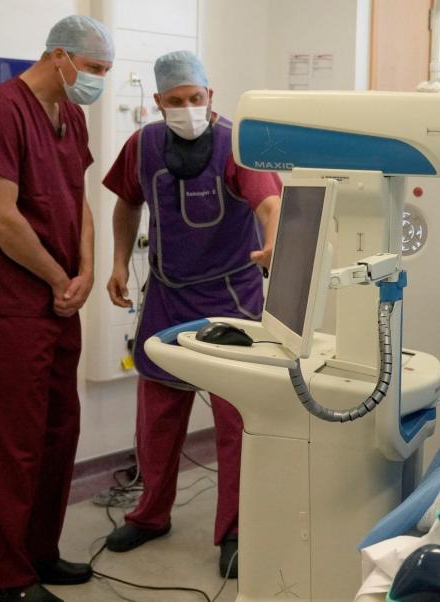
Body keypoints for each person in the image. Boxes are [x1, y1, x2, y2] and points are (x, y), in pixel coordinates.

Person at [0, 15, 113, 602]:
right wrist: (60, 276)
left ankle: (41, 552)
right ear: (59, 55)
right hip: (9, 302)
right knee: (15, 442)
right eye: (93, 69)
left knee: (60, 432)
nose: (97, 82)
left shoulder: (72, 115)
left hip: (58, 300)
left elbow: (80, 203)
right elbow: (0, 215)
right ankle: (11, 580)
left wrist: (86, 272)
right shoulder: (0, 110)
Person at [101, 50, 281, 579]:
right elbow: (126, 202)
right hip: (167, 294)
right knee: (156, 418)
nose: (186, 109)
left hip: (232, 298)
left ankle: (235, 532)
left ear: (211, 96)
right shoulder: (143, 145)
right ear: (157, 102)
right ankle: (150, 514)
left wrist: (273, 244)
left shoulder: (235, 145)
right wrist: (117, 263)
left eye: (195, 99)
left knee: (234, 420)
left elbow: (269, 204)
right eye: (175, 102)